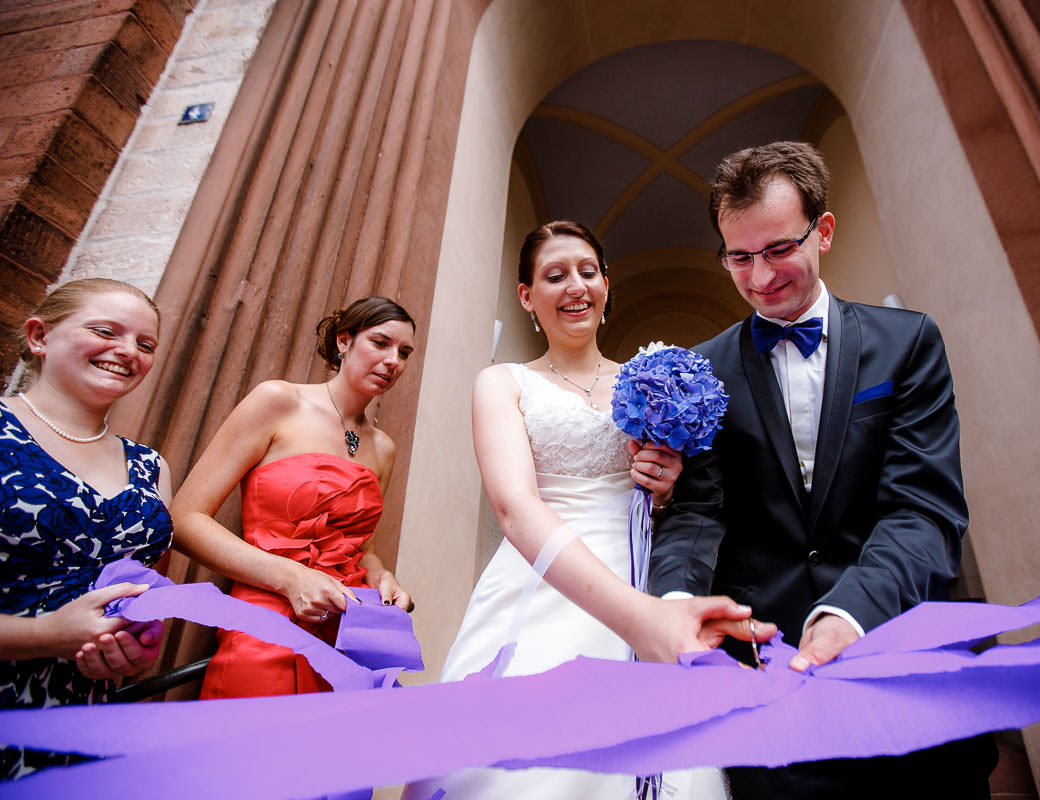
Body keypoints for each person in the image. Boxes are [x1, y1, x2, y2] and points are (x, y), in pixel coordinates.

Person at [648, 141, 997, 798]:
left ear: (824, 231)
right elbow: (699, 510)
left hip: (901, 655)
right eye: (739, 258)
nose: (759, 277)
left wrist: (849, 613)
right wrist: (675, 605)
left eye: (779, 249)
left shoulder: (908, 342)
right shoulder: (699, 370)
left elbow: (923, 508)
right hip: (765, 676)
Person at [402, 221, 773, 800]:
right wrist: (630, 614)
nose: (575, 285)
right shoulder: (504, 383)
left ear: (606, 283)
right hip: (540, 576)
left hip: (645, 569)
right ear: (527, 296)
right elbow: (514, 507)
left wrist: (667, 487)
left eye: (587, 271)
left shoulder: (652, 382)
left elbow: (696, 506)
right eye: (554, 275)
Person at [171, 296, 417, 698]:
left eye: (404, 353)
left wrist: (381, 576)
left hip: (350, 625)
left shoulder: (383, 447)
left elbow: (363, 548)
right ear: (344, 341)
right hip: (268, 610)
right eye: (381, 342)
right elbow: (184, 519)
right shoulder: (278, 401)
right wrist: (291, 578)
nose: (394, 361)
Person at [0, 278, 173, 779]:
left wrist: (132, 645)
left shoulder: (149, 467)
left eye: (145, 345)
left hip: (84, 727)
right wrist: (45, 635)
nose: (127, 352)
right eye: (106, 331)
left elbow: (135, 593)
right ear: (39, 337)